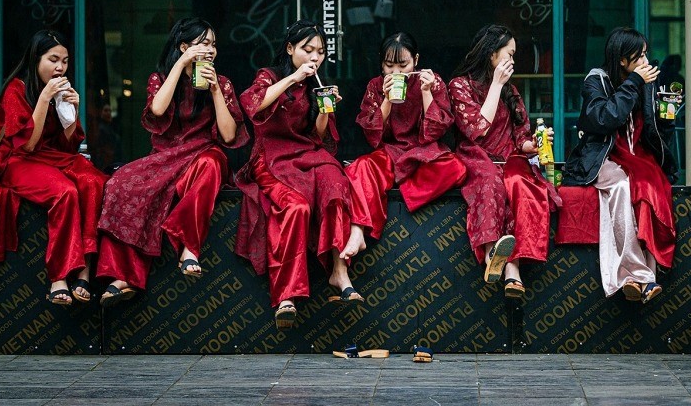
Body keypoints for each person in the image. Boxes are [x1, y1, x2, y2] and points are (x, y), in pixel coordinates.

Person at [94, 18, 248, 307]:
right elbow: (157, 109)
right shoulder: (161, 78)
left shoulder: (222, 83)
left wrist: (215, 91)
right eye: (203, 43)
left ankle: (189, 246)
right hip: (166, 156)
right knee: (120, 184)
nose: (211, 49)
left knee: (212, 165)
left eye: (213, 44)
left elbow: (228, 135)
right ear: (184, 46)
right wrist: (180, 66)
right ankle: (122, 276)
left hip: (204, 152)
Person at [234, 20, 359, 330]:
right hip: (272, 158)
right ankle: (285, 296)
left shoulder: (316, 84)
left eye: (320, 52)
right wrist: (292, 78)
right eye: (307, 50)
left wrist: (325, 110)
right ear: (290, 49)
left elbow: (317, 137)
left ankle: (339, 270)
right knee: (297, 207)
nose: (314, 58)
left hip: (304, 153)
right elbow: (253, 105)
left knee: (335, 180)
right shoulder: (270, 76)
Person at [0, 30, 107, 305]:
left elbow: (69, 147)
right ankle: (58, 277)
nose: (60, 67)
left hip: (52, 157)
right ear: (36, 59)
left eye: (65, 61)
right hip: (18, 160)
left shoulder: (60, 90)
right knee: (65, 191)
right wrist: (44, 100)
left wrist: (73, 112)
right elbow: (28, 146)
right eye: (53, 59)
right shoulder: (16, 90)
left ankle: (84, 269)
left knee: (94, 181)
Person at [563, 27, 677, 303]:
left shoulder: (646, 83)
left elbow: (653, 132)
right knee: (622, 186)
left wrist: (667, 115)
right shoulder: (596, 80)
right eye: (639, 57)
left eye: (646, 55)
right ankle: (639, 275)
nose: (645, 62)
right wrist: (635, 82)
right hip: (604, 157)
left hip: (638, 156)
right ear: (622, 60)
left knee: (650, 187)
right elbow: (605, 118)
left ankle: (643, 277)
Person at [448, 24, 559, 300]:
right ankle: (491, 255)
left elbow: (521, 136)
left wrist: (533, 145)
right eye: (508, 54)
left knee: (519, 184)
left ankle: (512, 268)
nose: (512, 60)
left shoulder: (511, 91)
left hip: (508, 157)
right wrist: (496, 84)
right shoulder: (460, 85)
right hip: (476, 155)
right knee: (490, 181)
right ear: (491, 54)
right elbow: (477, 129)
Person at [340, 32, 467, 259]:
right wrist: (387, 98)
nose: (396, 72)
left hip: (423, 153)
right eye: (389, 66)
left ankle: (397, 192)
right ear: (381, 63)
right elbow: (373, 136)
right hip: (390, 152)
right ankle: (358, 231)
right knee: (360, 168)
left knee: (456, 168)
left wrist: (427, 92)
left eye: (403, 65)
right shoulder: (375, 86)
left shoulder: (431, 80)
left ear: (416, 60)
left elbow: (434, 132)